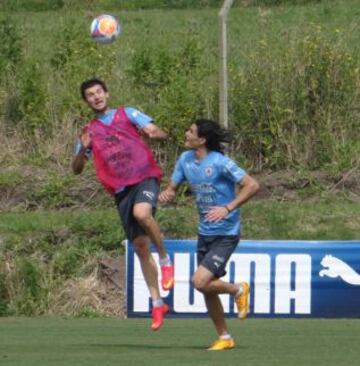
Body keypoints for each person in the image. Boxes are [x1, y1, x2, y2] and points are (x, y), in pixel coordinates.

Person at [72, 78, 174, 331]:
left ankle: (165, 260)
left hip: (144, 176)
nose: (96, 97)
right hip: (120, 190)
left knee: (142, 213)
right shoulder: (89, 131)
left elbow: (161, 133)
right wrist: (81, 149)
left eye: (99, 92)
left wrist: (153, 132)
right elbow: (76, 169)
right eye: (90, 95)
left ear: (106, 93)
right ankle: (157, 303)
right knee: (139, 246)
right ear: (86, 101)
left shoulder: (127, 113)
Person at [159, 119, 259, 350]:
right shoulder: (185, 159)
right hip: (205, 233)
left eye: (191, 131)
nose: (187, 133)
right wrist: (168, 193)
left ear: (202, 139)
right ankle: (224, 337)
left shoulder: (221, 163)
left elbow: (252, 185)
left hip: (226, 233)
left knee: (199, 281)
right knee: (207, 287)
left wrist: (228, 208)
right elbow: (172, 187)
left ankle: (238, 289)